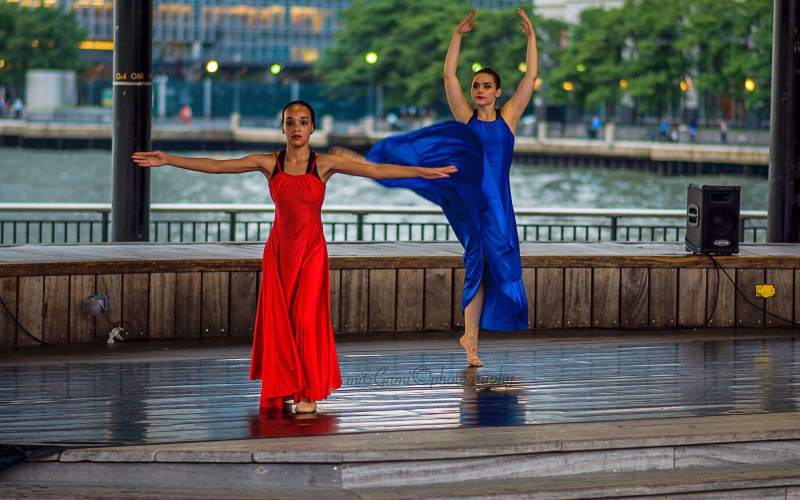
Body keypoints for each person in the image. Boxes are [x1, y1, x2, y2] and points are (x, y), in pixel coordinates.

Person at [132, 101, 456, 414]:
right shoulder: (269, 163)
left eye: (303, 122)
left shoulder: (325, 164)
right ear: (283, 128)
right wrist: (168, 159)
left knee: (304, 319)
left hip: (312, 253)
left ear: (313, 128)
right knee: (280, 324)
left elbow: (375, 170)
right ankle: (283, 388)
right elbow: (217, 166)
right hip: (278, 255)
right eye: (290, 122)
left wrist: (421, 172)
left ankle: (306, 392)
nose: (297, 127)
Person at [368, 8, 536, 367]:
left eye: (486, 86)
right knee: (477, 262)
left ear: (498, 91)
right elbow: (448, 76)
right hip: (469, 202)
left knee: (501, 267)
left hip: (500, 206)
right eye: (476, 85)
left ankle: (471, 335)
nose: (479, 90)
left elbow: (532, 76)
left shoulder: (508, 119)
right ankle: (471, 339)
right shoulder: (466, 119)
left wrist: (532, 40)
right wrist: (457, 37)